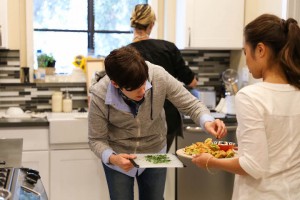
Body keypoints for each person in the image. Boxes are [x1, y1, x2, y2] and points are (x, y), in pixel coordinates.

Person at [88, 46, 227, 200]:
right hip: (119, 155)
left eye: (144, 84)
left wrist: (207, 121)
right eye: (135, 89)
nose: (143, 91)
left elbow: (191, 104)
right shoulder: (99, 95)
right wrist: (112, 158)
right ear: (116, 84)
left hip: (155, 151)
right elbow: (96, 139)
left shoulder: (158, 75)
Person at [191, 13, 300, 200]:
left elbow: (253, 166)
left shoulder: (250, 96)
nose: (246, 60)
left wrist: (211, 161)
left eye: (245, 51)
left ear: (260, 50)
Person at [129, 4, 198, 152]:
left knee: (137, 166)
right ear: (151, 25)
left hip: (136, 121)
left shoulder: (125, 53)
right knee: (158, 163)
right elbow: (191, 81)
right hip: (168, 118)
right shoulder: (168, 48)